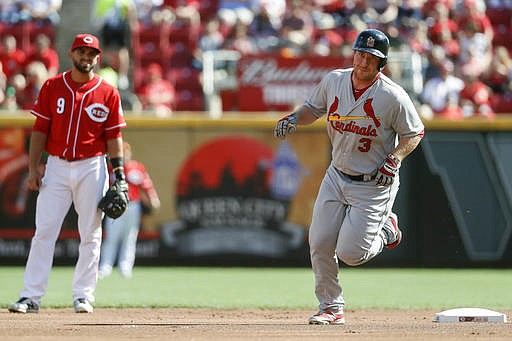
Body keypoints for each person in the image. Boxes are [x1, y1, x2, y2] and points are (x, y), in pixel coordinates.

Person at [273, 29, 424, 325]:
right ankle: (331, 307)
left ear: (381, 64)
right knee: (319, 242)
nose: (363, 61)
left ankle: (387, 230)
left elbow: (415, 132)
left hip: (374, 184)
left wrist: (395, 158)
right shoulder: (335, 80)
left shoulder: (392, 96)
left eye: (371, 58)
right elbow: (312, 109)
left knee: (351, 254)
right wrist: (293, 118)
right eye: (360, 54)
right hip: (336, 175)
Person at [7, 33, 128, 314]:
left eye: (92, 53)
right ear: (72, 54)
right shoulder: (52, 86)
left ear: (98, 58)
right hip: (57, 166)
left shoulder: (107, 92)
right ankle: (30, 296)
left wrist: (118, 175)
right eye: (82, 52)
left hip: (92, 166)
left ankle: (83, 295)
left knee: (91, 233)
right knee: (44, 232)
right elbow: (39, 131)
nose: (86, 57)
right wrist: (33, 167)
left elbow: (114, 138)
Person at [99, 141, 160, 279]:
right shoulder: (111, 168)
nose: (124, 154)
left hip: (133, 206)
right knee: (112, 237)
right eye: (122, 152)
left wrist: (153, 199)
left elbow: (147, 185)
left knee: (130, 237)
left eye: (126, 152)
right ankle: (105, 266)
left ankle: (125, 267)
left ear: (130, 153)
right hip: (116, 207)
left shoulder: (137, 167)